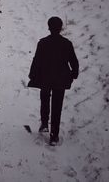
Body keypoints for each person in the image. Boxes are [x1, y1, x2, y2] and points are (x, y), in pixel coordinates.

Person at [28, 16, 79, 145]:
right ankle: (54, 136)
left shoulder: (43, 43)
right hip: (60, 80)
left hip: (45, 78)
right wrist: (74, 74)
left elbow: (37, 60)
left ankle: (44, 123)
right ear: (61, 28)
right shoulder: (66, 43)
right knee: (57, 106)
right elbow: (73, 61)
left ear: (49, 27)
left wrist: (32, 74)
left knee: (44, 98)